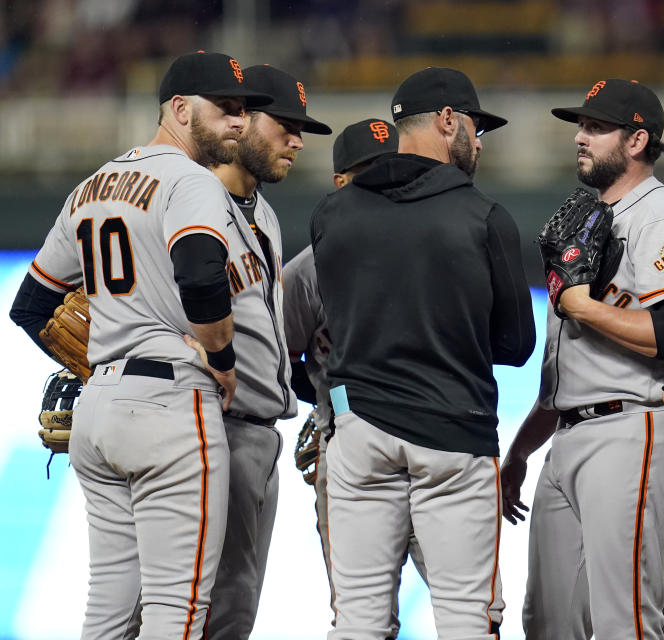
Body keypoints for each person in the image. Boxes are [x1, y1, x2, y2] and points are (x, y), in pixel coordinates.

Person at [8, 51, 271, 638]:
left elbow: (30, 305)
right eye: (225, 108)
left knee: (107, 613)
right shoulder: (192, 180)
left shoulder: (93, 184)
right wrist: (224, 362)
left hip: (97, 412)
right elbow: (202, 273)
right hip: (173, 411)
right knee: (175, 616)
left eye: (244, 111)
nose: (238, 121)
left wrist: (100, 360)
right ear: (179, 108)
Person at [310, 66, 535, 639]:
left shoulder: (330, 213)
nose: (479, 141)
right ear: (446, 120)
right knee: (466, 618)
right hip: (453, 435)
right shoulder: (484, 215)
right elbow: (515, 345)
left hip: (357, 431)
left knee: (357, 619)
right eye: (476, 127)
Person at [499, 78, 664, 640]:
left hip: (633, 429)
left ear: (637, 140)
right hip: (567, 435)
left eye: (597, 127)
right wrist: (521, 450)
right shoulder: (589, 219)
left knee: (626, 622)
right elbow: (566, 370)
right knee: (546, 622)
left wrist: (581, 306)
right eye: (580, 125)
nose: (580, 137)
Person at [283, 117, 434, 638]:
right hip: (349, 445)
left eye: (395, 170)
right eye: (370, 172)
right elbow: (287, 359)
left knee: (470, 608)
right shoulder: (306, 271)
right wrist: (328, 406)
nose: (385, 182)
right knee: (359, 617)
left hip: (439, 439)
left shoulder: (445, 248)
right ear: (340, 183)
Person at [202, 63, 330, 639]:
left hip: (258, 434)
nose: (297, 140)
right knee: (174, 605)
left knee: (234, 610)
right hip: (210, 427)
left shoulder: (267, 214)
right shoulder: (190, 201)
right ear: (242, 119)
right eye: (285, 124)